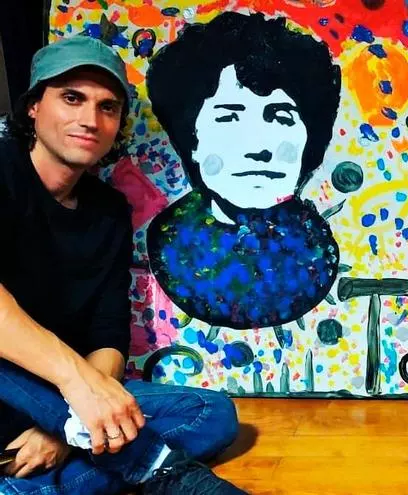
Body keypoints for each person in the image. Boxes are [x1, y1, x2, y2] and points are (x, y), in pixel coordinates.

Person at [0, 34, 246, 494]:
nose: (90, 120)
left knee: (210, 414)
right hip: (26, 385)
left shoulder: (109, 211)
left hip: (57, 401)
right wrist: (78, 393)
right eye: (72, 98)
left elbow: (108, 334)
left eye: (107, 107)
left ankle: (32, 483)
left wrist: (67, 426)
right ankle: (155, 467)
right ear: (33, 106)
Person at [145, 11, 342, 330]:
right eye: (228, 118)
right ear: (192, 139)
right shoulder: (171, 248)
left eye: (280, 117)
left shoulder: (315, 254)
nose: (258, 147)